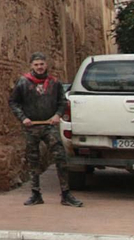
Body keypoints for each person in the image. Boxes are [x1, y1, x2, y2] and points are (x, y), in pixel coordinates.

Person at [9, 52, 82, 207]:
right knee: (33, 160)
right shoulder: (23, 82)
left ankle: (66, 193)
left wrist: (57, 115)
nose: (39, 67)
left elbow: (62, 102)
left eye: (41, 64)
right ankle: (35, 193)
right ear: (31, 66)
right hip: (32, 127)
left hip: (49, 126)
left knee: (60, 157)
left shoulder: (54, 83)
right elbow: (14, 102)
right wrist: (23, 118)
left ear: (46, 64)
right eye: (36, 65)